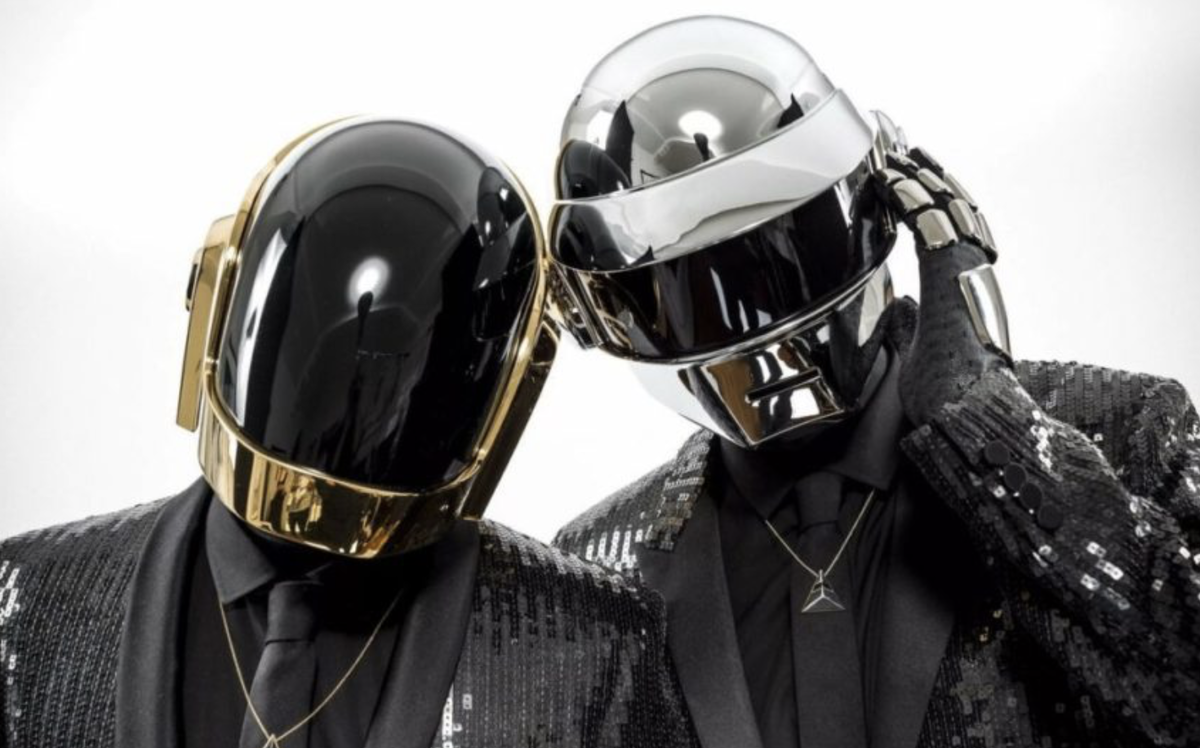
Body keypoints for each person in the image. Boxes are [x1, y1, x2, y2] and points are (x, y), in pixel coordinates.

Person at [550, 16, 1200, 748]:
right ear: (612, 313)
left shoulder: (1125, 429)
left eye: (790, 253)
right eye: (696, 291)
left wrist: (998, 437)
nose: (760, 320)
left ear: (886, 208)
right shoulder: (591, 567)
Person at [0, 117, 695, 748]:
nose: (356, 396)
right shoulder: (26, 598)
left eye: (394, 358)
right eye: (331, 348)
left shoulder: (598, 641)